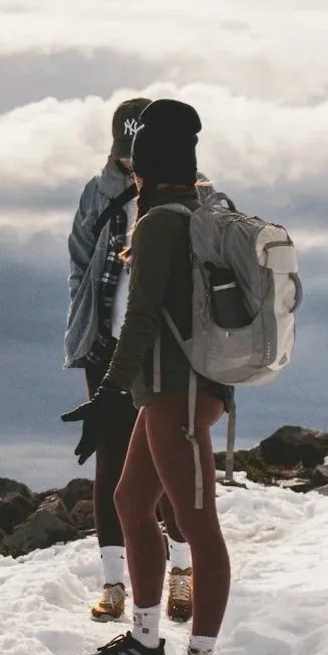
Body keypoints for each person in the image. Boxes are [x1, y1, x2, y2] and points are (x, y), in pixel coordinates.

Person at [61, 98, 232, 655]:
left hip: (175, 393)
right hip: (179, 390)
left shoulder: (161, 223)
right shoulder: (201, 212)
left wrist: (109, 394)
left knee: (197, 523)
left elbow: (138, 323)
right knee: (132, 500)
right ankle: (144, 638)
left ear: (145, 166)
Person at [63, 98, 194, 627]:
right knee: (112, 459)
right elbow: (78, 261)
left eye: (134, 155)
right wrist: (88, 324)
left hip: (168, 353)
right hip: (109, 347)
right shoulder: (98, 195)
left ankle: (181, 571)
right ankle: (113, 582)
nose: (128, 165)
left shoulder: (191, 195)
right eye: (122, 155)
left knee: (170, 466)